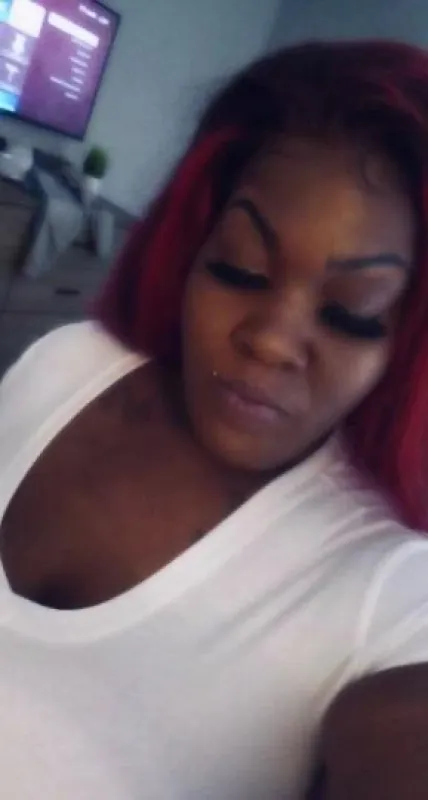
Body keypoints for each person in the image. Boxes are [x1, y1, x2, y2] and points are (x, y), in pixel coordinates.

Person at [1, 39, 428, 800]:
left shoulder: (388, 592)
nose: (271, 340)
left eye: (351, 313)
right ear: (191, 249)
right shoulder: (68, 363)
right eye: (240, 267)